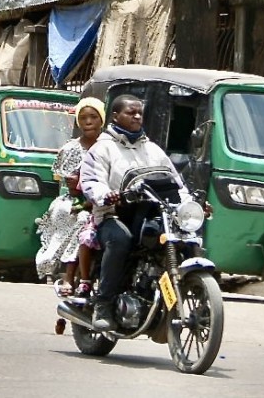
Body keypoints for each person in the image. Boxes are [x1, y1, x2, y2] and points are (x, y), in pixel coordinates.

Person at [80, 94, 192, 332]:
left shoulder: (153, 149)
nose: (137, 117)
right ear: (115, 116)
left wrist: (189, 203)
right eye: (131, 113)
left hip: (150, 213)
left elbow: (175, 184)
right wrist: (105, 195)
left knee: (184, 239)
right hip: (112, 215)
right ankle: (103, 304)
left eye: (140, 113)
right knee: (121, 240)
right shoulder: (102, 148)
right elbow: (91, 182)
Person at [35, 97, 105, 294]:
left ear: (102, 119)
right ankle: (70, 275)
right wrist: (84, 198)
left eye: (93, 117)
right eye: (83, 118)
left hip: (104, 198)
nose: (88, 122)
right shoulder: (70, 149)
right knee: (82, 219)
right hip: (75, 201)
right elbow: (69, 184)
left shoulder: (110, 146)